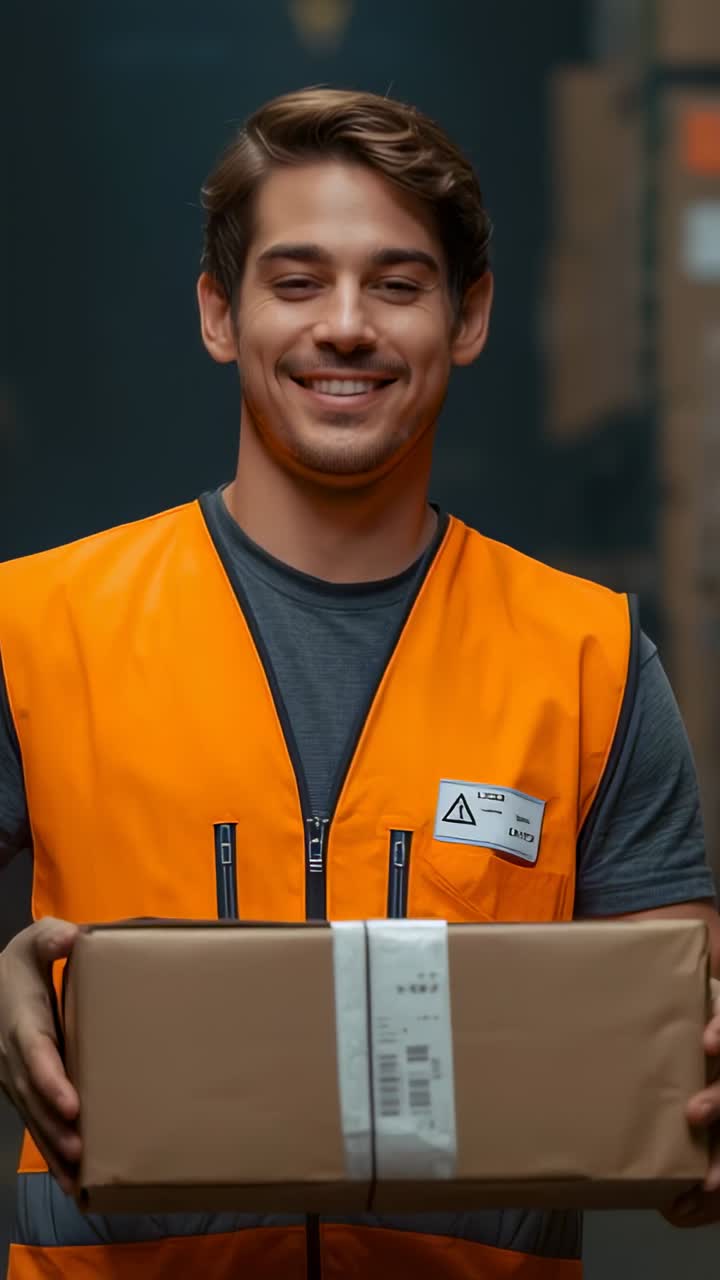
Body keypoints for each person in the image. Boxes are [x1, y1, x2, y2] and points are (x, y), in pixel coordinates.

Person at [0, 87, 718, 1280]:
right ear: (218, 315)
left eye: (396, 282)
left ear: (468, 315)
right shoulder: (35, 624)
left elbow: (674, 1058)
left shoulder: (587, 658)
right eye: (295, 280)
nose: (346, 326)